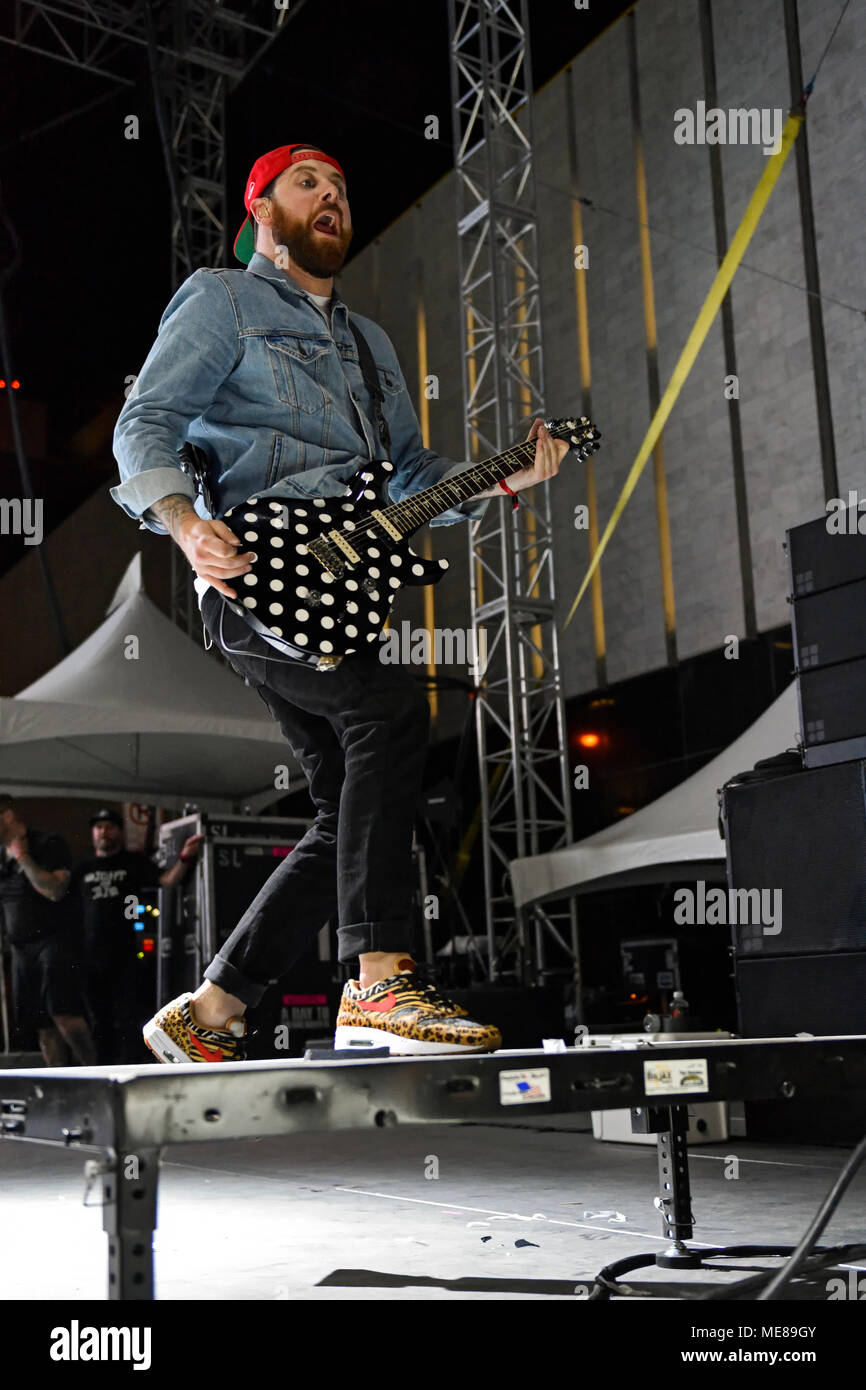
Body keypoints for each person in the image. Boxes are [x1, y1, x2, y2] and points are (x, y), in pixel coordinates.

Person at [111, 143, 569, 1063]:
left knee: (349, 796)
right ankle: (378, 982)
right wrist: (181, 521)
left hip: (345, 575)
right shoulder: (221, 299)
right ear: (263, 211)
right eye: (308, 184)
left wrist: (504, 472)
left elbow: (413, 472)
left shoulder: (370, 344)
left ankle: (211, 1012)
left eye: (343, 189)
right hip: (254, 567)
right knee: (388, 716)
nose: (333, 197)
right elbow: (144, 421)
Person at [70, 810, 203, 1061]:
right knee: (98, 1021)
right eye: (98, 827)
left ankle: (131, 1069)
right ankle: (102, 1073)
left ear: (119, 831)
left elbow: (166, 881)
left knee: (129, 1018)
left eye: (109, 827)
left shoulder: (133, 862)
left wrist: (185, 857)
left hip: (125, 954)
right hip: (89, 957)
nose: (103, 832)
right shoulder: (82, 867)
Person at [0, 794, 96, 1065]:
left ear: (7, 817)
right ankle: (60, 1086)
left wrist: (23, 857)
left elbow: (54, 890)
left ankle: (93, 1075)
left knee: (65, 1016)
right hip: (21, 950)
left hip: (54, 944)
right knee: (42, 1027)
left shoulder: (47, 843)